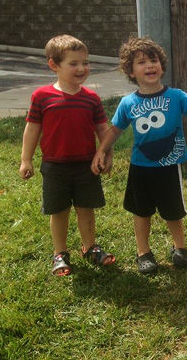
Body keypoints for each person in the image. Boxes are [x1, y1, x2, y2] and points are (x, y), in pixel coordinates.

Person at [91, 37, 187, 275]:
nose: (149, 66)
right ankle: (143, 252)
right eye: (141, 62)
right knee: (141, 211)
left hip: (169, 166)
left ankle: (180, 248)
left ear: (161, 65)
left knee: (173, 211)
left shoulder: (176, 96)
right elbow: (115, 129)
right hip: (141, 167)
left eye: (153, 60)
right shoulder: (128, 103)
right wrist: (101, 150)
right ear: (131, 71)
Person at [19, 34, 115, 276]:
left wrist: (107, 154)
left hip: (86, 165)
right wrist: (26, 159)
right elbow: (32, 129)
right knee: (59, 211)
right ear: (54, 65)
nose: (82, 68)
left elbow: (103, 129)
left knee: (86, 209)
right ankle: (60, 253)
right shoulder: (42, 96)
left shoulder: (91, 98)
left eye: (85, 62)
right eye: (74, 63)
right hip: (55, 166)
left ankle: (90, 247)